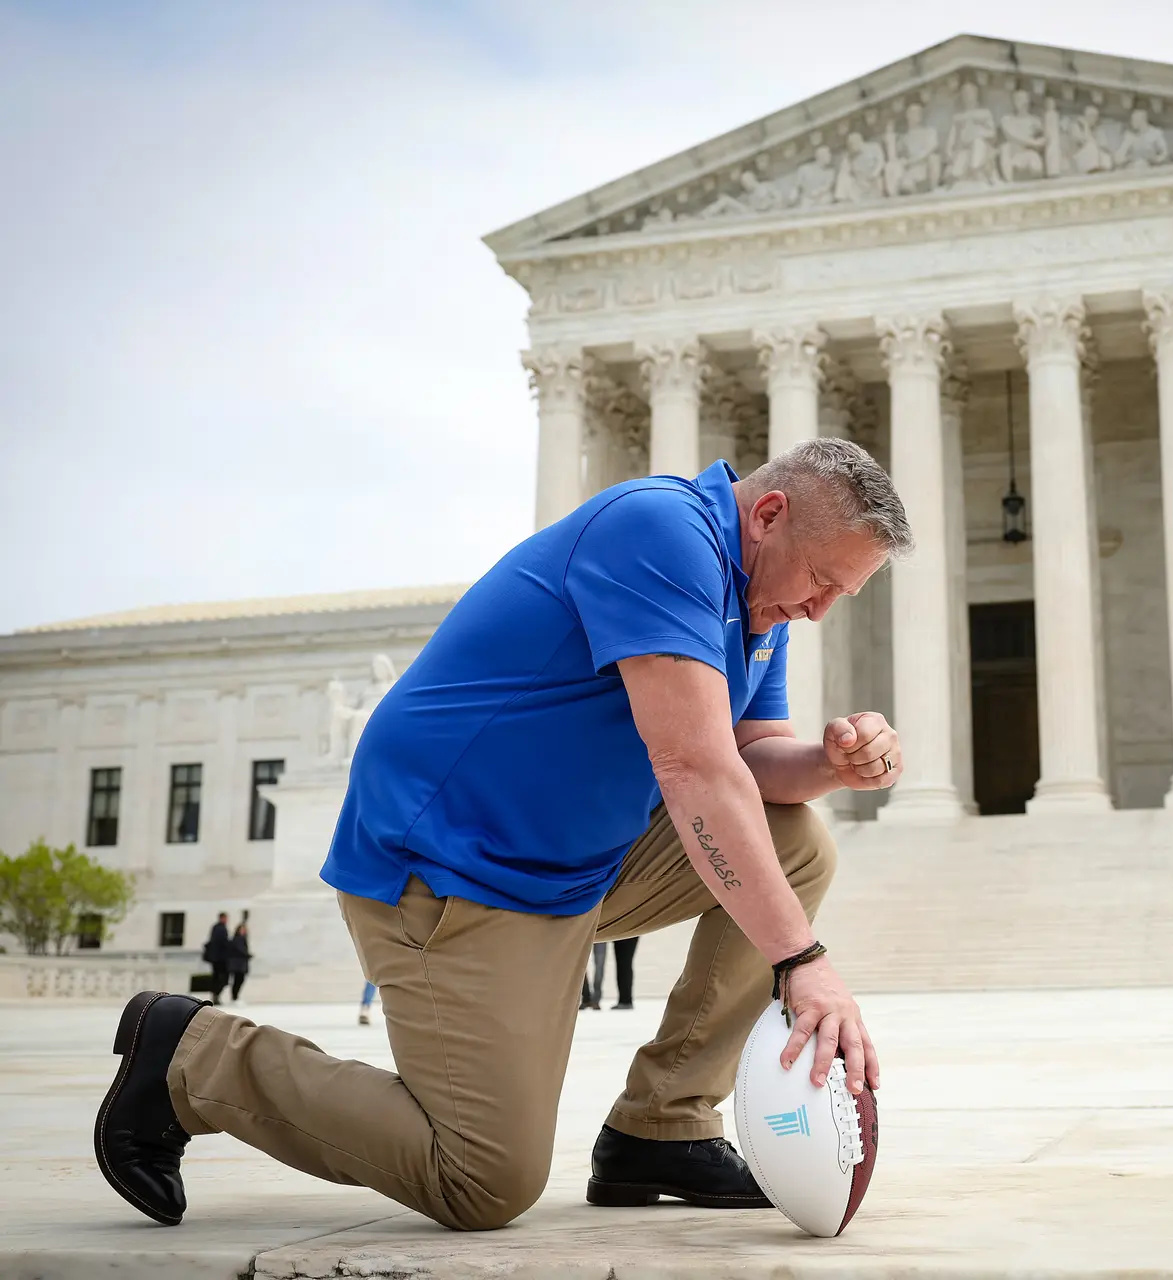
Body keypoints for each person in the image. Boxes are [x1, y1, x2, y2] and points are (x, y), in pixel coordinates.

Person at [95, 440, 907, 1232]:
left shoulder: (759, 598)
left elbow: (753, 758)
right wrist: (801, 961)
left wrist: (833, 765)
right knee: (483, 1179)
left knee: (797, 840)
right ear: (767, 514)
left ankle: (664, 1126)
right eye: (822, 582)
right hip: (451, 868)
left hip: (571, 866)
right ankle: (192, 1056)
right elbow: (693, 767)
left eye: (845, 596)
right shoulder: (661, 532)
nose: (820, 609)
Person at [199, 913, 230, 1006]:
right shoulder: (220, 928)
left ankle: (216, 995)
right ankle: (216, 995)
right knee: (221, 977)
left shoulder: (217, 928)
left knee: (218, 977)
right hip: (219, 958)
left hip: (217, 958)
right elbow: (222, 943)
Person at [224, 923, 250, 1004]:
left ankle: (235, 996)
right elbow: (240, 950)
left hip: (240, 963)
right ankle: (234, 997)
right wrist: (247, 955)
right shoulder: (238, 939)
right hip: (237, 963)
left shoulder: (242, 939)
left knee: (239, 980)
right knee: (238, 980)